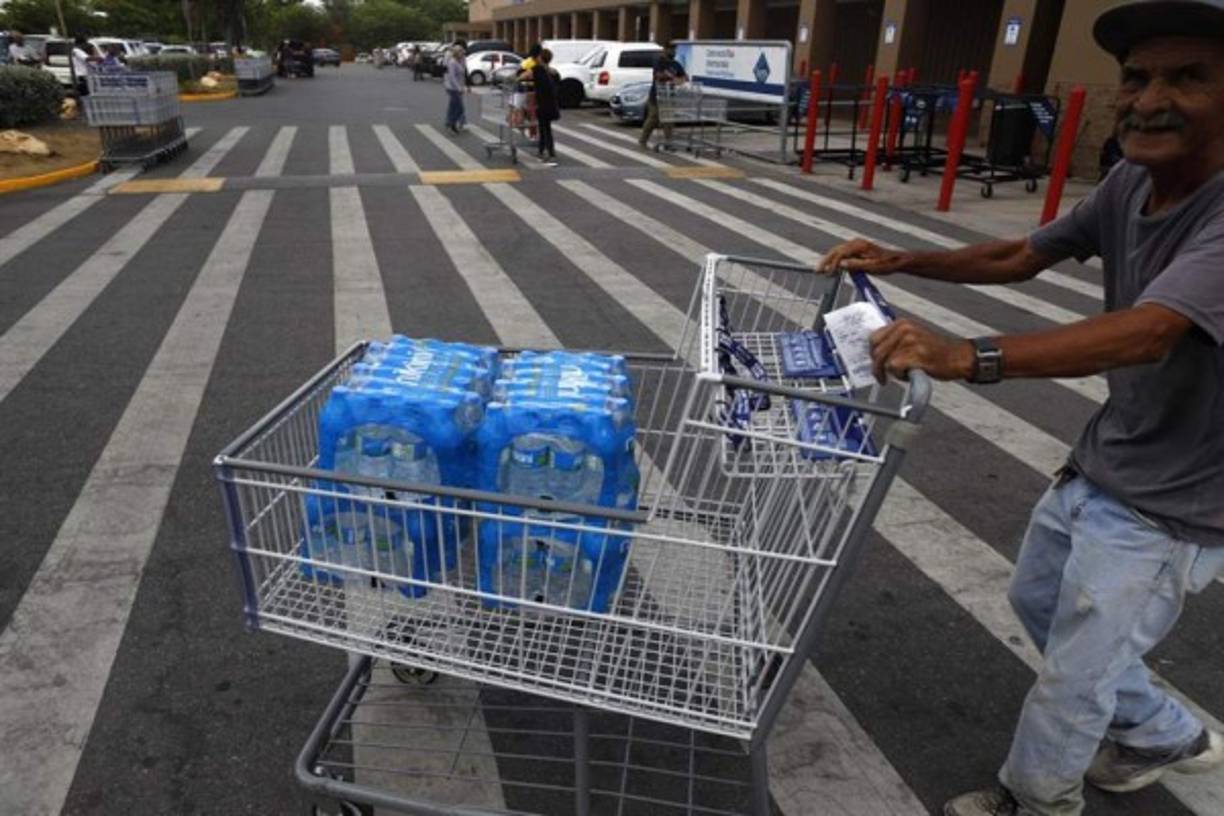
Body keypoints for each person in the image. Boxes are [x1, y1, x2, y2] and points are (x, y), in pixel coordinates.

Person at [820, 2, 1224, 814]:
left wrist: (967, 356)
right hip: (1111, 456)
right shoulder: (1129, 182)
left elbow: (1149, 334)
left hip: (1180, 499)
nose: (1149, 100)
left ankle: (1035, 800)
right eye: (1137, 78)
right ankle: (1164, 734)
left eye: (1188, 78)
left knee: (1079, 670)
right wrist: (907, 259)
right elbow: (1021, 252)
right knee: (1038, 602)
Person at [639, 45, 686, 150]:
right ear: (665, 50)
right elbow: (658, 76)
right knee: (653, 118)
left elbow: (684, 78)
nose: (673, 52)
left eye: (674, 50)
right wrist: (672, 78)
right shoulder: (659, 62)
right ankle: (643, 140)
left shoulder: (676, 64)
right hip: (656, 96)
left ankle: (668, 143)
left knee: (668, 121)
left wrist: (673, 78)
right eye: (671, 49)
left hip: (669, 96)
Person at [532, 48, 560, 165]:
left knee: (545, 129)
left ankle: (551, 153)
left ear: (540, 58)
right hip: (552, 103)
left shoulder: (537, 70)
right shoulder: (554, 72)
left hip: (543, 104)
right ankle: (541, 150)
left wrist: (515, 78)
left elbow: (524, 75)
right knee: (544, 127)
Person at [442, 44, 468, 134]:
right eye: (461, 52)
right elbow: (452, 77)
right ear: (456, 53)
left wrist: (464, 86)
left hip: (458, 87)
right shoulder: (452, 62)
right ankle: (451, 123)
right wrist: (458, 88)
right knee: (459, 108)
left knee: (453, 107)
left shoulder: (460, 61)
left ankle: (451, 124)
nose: (462, 54)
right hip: (453, 88)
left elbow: (462, 76)